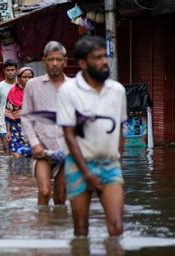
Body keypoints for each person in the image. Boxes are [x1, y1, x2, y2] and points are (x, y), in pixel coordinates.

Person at [56, 35, 127, 237]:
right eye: (97, 58)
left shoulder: (118, 91)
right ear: (82, 63)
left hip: (110, 165)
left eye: (105, 56)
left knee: (116, 228)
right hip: (78, 167)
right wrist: (86, 173)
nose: (104, 62)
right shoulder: (68, 92)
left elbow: (120, 130)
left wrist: (118, 161)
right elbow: (69, 135)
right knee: (81, 229)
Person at [21, 41, 70, 206]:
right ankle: (41, 230)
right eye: (51, 59)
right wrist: (34, 144)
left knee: (61, 197)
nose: (54, 63)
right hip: (42, 150)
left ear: (65, 61)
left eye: (58, 59)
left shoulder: (74, 86)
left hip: (66, 150)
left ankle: (58, 228)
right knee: (44, 192)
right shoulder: (33, 85)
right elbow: (26, 117)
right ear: (44, 61)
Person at [5, 67, 34, 158]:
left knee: (32, 155)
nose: (27, 79)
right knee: (17, 155)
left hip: (32, 129)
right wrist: (8, 131)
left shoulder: (36, 91)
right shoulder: (13, 92)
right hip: (16, 129)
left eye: (30, 77)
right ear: (19, 78)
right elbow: (8, 113)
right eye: (24, 77)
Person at [0, 59, 17, 153]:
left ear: (16, 70)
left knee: (19, 153)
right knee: (7, 152)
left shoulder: (20, 85)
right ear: (4, 71)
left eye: (12, 70)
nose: (10, 72)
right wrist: (1, 118)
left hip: (19, 124)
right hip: (4, 125)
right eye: (8, 70)